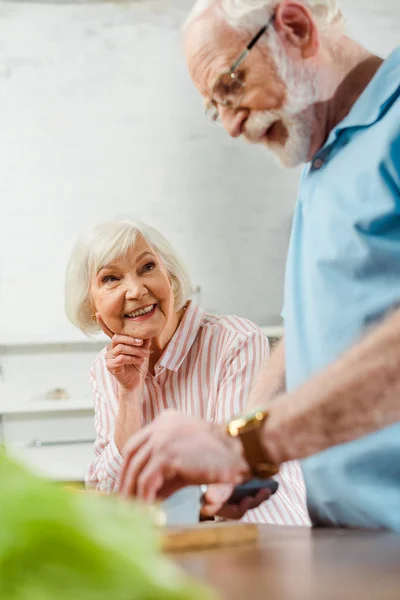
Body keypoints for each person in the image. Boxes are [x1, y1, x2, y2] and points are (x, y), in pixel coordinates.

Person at [118, 0, 400, 531]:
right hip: (352, 538)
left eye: (230, 86)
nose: (228, 124)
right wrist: (244, 444)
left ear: (294, 28)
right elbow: (314, 330)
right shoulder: (323, 160)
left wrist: (243, 445)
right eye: (213, 106)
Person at [65, 219, 309, 525]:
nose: (136, 290)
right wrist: (129, 395)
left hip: (263, 536)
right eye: (111, 279)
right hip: (178, 548)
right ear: (92, 306)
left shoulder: (234, 340)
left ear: (170, 275)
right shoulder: (105, 369)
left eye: (147, 267)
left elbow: (232, 476)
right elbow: (110, 496)